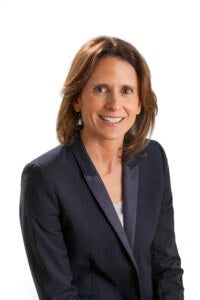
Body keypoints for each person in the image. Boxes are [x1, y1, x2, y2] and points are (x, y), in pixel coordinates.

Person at [20, 36, 184, 300]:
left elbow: (167, 267)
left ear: (140, 102)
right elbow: (58, 294)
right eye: (100, 89)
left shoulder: (153, 158)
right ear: (77, 99)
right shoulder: (44, 178)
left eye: (127, 90)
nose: (114, 104)